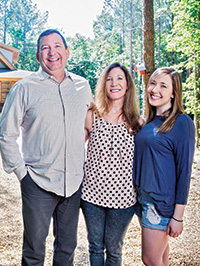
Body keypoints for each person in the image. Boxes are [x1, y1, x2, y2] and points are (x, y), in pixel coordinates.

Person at [0, 29, 92, 265]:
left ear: (67, 52)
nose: (52, 53)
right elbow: (5, 134)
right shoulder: (24, 88)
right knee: (34, 250)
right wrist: (22, 175)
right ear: (38, 56)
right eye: (45, 48)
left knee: (67, 248)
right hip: (38, 182)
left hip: (73, 182)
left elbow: (93, 121)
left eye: (57, 46)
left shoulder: (82, 86)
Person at [81, 62, 142, 266]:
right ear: (103, 85)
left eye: (119, 79)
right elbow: (71, 147)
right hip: (91, 196)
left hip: (123, 199)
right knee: (95, 246)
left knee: (114, 250)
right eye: (109, 79)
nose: (114, 83)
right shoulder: (92, 115)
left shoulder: (137, 123)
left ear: (127, 86)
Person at [133, 67, 195, 266]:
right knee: (161, 258)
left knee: (150, 259)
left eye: (163, 85)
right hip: (142, 198)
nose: (155, 89)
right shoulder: (149, 122)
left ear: (174, 93)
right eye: (152, 83)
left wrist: (178, 217)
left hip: (160, 204)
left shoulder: (182, 122)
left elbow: (184, 172)